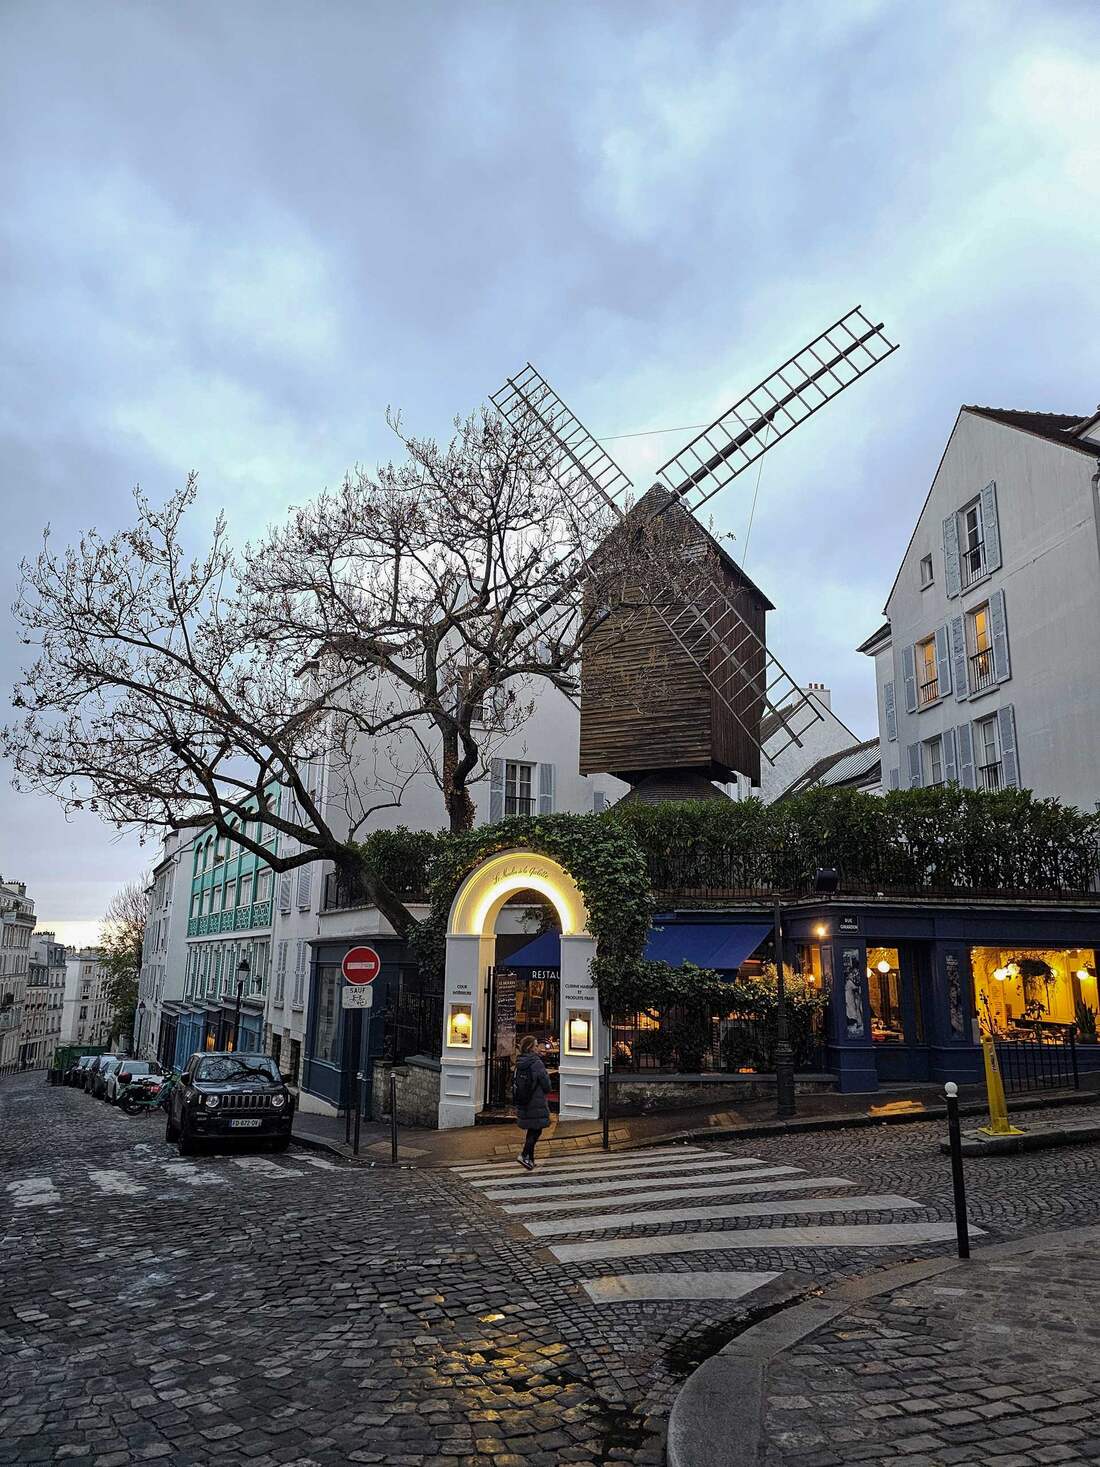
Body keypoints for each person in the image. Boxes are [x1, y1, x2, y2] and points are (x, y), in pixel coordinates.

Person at [513, 1034, 551, 1170]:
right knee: (536, 1130)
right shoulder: (536, 1063)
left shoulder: (519, 1062)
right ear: (530, 1048)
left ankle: (531, 1159)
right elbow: (546, 1084)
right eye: (535, 1046)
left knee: (532, 1129)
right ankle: (524, 1154)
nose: (537, 1048)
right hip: (536, 1100)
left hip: (524, 1100)